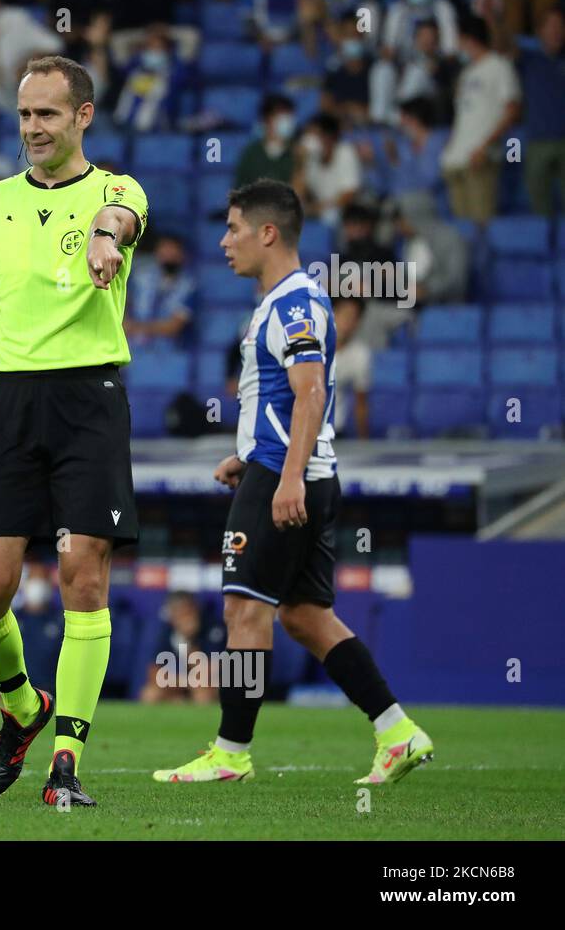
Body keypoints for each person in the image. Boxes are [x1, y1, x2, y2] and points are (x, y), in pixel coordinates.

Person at [153, 179, 432, 786]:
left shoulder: (294, 304)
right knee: (305, 615)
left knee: (242, 609)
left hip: (289, 476)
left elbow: (310, 393)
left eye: (233, 228)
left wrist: (284, 478)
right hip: (287, 467)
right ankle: (397, 730)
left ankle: (230, 753)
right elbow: (285, 397)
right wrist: (249, 456)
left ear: (267, 232)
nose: (224, 242)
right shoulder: (284, 299)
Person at [0, 55, 148, 808]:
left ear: (83, 116)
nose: (33, 129)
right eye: (25, 115)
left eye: (48, 114)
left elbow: (120, 218)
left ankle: (66, 765)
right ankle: (24, 709)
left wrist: (104, 237)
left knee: (83, 576)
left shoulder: (116, 190)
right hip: (13, 402)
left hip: (90, 398)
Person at [440, 17, 520, 225]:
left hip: (480, 158)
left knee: (482, 227)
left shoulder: (499, 66)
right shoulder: (466, 73)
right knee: (462, 231)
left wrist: (484, 147)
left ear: (469, 39)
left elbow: (512, 112)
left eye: (459, 40)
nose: (457, 47)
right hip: (456, 159)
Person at [517, 8, 565, 216]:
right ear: (539, 32)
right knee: (539, 209)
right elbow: (502, 44)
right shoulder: (528, 60)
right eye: (551, 26)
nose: (557, 31)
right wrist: (495, 18)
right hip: (536, 143)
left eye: (560, 26)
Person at [139, 591, 223, 704]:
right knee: (150, 694)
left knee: (202, 693)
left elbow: (207, 674)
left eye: (185, 612)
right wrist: (184, 683)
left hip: (210, 685)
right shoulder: (167, 631)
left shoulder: (213, 629)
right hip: (181, 683)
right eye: (176, 612)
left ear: (194, 609)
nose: (182, 618)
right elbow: (154, 673)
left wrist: (190, 640)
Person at [125, 232, 196, 350]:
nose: (168, 255)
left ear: (182, 254)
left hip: (169, 352)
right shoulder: (140, 277)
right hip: (134, 348)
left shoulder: (189, 286)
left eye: (173, 251)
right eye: (164, 250)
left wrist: (136, 328)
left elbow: (173, 327)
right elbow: (124, 305)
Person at [234, 94, 297, 190]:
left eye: (288, 116)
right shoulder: (251, 153)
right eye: (280, 116)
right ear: (265, 120)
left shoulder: (297, 152)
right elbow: (239, 192)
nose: (286, 121)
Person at [331, 295, 370, 439]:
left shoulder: (360, 354)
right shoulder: (310, 347)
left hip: (335, 432)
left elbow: (361, 402)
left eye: (354, 317)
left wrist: (363, 441)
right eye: (344, 315)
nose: (348, 322)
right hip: (302, 429)